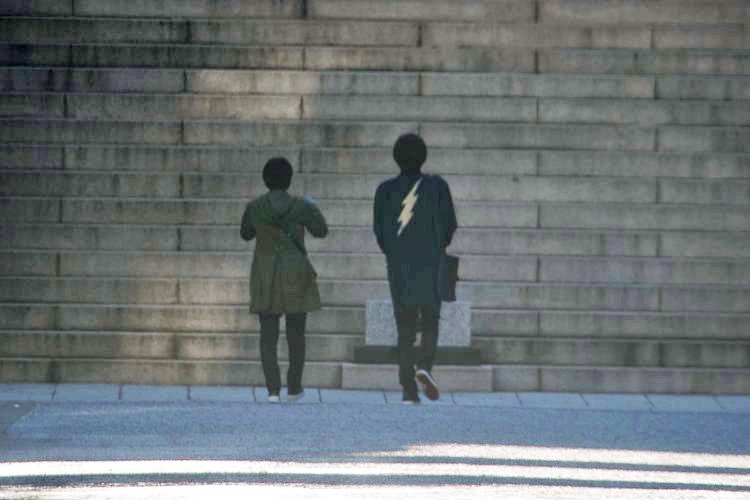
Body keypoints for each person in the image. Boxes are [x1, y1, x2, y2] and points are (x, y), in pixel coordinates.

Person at [373, 134, 457, 404]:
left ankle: (408, 390)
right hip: (430, 262)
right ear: (424, 157)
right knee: (431, 319)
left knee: (405, 327)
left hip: (399, 265)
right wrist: (437, 246)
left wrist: (395, 252)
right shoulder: (437, 186)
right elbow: (449, 225)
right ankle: (425, 367)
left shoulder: (384, 190)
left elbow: (380, 231)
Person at [240, 157, 328, 403]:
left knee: (268, 334)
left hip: (266, 273)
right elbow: (321, 231)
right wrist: (312, 207)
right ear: (289, 180)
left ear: (265, 180)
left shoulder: (255, 206)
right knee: (296, 333)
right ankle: (294, 387)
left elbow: (245, 234)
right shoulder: (301, 206)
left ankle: (272, 390)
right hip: (296, 272)